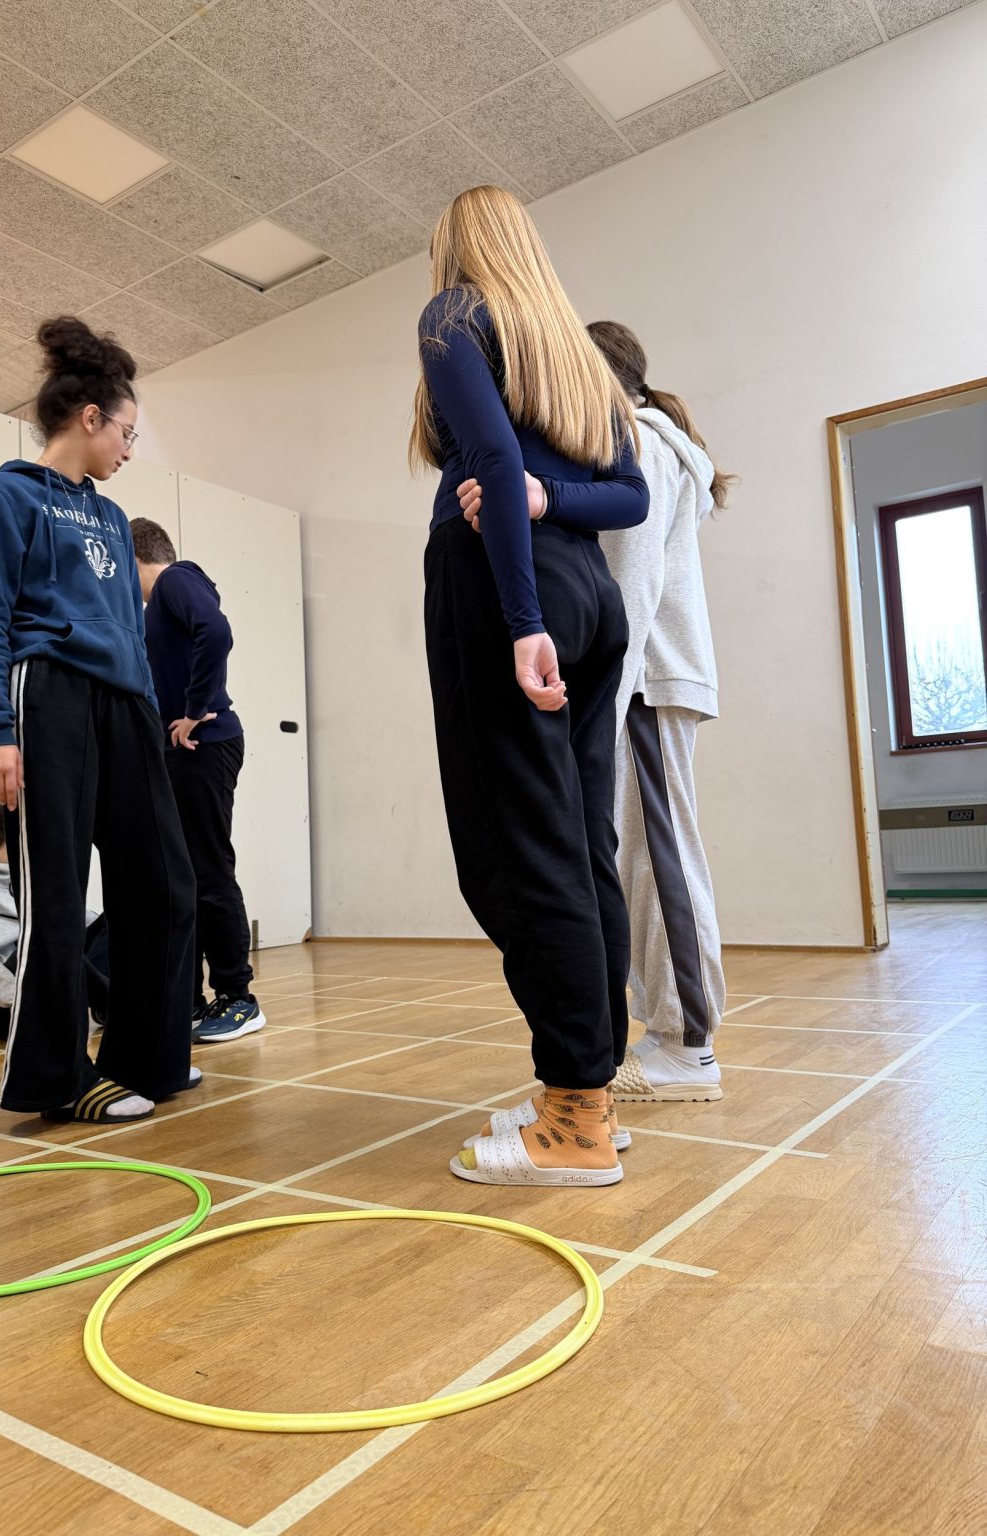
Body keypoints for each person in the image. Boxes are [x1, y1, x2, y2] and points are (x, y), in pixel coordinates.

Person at [411, 185, 649, 1188]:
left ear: (456, 248)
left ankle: (576, 1116)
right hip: (591, 593)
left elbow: (495, 458)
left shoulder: (453, 315)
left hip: (508, 586)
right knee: (581, 844)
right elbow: (630, 496)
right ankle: (587, 1090)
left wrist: (518, 621)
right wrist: (552, 499)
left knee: (515, 850)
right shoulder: (576, 354)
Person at [0, 316, 198, 1123]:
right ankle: (60, 1078)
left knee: (164, 883)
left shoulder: (110, 518)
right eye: (126, 432)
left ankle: (148, 1056)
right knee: (57, 895)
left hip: (125, 704)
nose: (130, 448)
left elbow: (130, 627)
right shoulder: (5, 496)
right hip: (47, 695)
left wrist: (149, 711)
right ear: (90, 417)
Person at [588, 321, 733, 1103]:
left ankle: (687, 1046)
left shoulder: (639, 442)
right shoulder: (653, 440)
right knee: (649, 855)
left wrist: (603, 708)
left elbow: (631, 585)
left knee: (659, 855)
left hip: (645, 682)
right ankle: (675, 1034)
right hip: (652, 681)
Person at [130, 518, 264, 1043]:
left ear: (135, 556)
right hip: (183, 751)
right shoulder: (156, 607)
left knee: (208, 870)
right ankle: (189, 1001)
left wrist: (194, 708)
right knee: (183, 877)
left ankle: (239, 998)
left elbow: (217, 631)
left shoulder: (175, 579)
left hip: (205, 744)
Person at [0, 792, 110, 1041]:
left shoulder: (38, 878)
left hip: (48, 987)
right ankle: (115, 1003)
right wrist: (21, 998)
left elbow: (81, 926)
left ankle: (107, 1001)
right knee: (42, 938)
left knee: (112, 921)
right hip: (2, 1006)